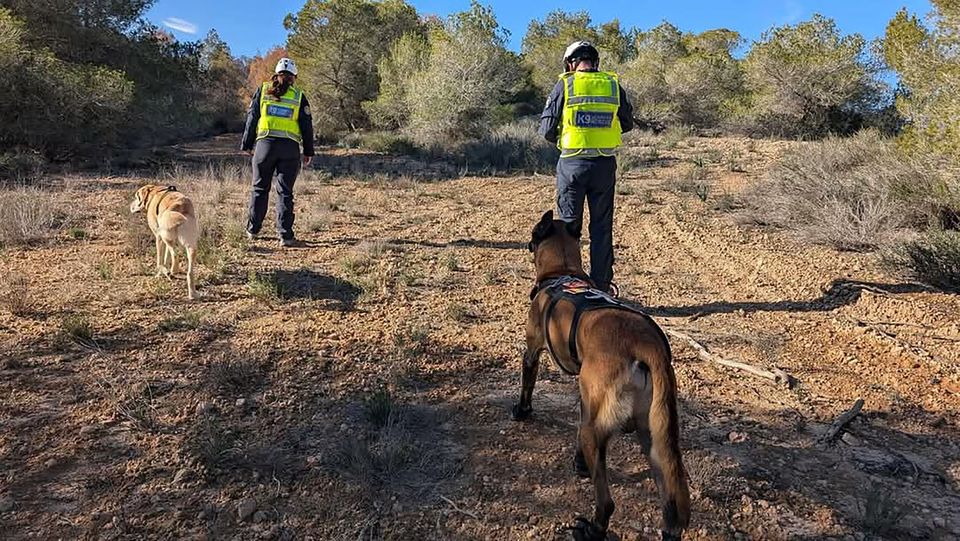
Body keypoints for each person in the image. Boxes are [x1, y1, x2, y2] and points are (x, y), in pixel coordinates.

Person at [539, 41, 634, 295]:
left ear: (570, 63)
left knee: (569, 228)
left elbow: (547, 130)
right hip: (604, 165)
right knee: (602, 228)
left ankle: (571, 287)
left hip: (572, 164)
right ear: (595, 62)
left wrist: (567, 137)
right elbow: (627, 122)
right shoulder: (613, 85)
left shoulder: (565, 85)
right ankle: (602, 287)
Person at [240, 57, 315, 247]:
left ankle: (252, 230)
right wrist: (308, 151)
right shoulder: (299, 96)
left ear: (276, 74)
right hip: (289, 149)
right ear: (294, 78)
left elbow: (252, 118)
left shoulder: (263, 90)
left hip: (264, 147)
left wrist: (247, 144)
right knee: (285, 192)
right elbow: (307, 126)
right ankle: (285, 235)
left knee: (259, 189)